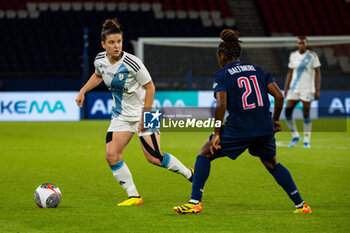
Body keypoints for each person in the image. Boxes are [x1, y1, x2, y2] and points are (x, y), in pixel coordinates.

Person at [173, 29, 311, 214]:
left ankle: (194, 201)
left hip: (239, 127)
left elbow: (221, 103)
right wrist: (275, 121)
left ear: (222, 55)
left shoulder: (222, 75)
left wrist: (216, 133)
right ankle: (301, 205)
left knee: (204, 154)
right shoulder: (258, 70)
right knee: (272, 164)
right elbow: (279, 96)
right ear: (238, 54)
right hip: (264, 126)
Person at [76, 18, 193, 206]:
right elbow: (98, 75)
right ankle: (133, 196)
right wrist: (83, 91)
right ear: (103, 44)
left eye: (119, 41)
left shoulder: (132, 62)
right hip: (121, 115)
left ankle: (190, 174)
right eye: (112, 42)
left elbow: (151, 87)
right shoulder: (99, 60)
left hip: (147, 111)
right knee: (111, 155)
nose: (116, 46)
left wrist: (145, 116)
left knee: (154, 157)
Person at [284, 36, 321, 148]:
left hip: (307, 89)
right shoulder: (293, 55)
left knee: (306, 114)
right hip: (294, 89)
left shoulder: (312, 56)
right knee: (287, 113)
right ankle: (295, 136)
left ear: (306, 44)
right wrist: (286, 89)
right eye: (299, 43)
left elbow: (318, 73)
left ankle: (306, 141)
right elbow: (290, 73)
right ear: (297, 44)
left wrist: (317, 90)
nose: (301, 45)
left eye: (303, 43)